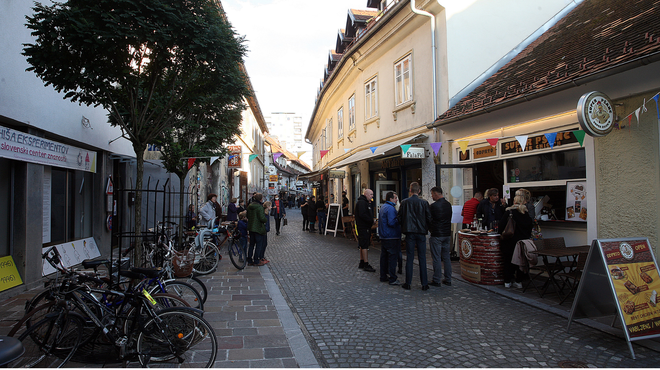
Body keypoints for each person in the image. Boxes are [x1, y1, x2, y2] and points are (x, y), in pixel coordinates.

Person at [397, 182, 432, 290]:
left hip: (409, 232)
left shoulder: (405, 202)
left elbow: (399, 217)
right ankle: (424, 284)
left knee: (410, 257)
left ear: (410, 190)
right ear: (419, 191)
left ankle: (408, 283)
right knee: (422, 258)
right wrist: (427, 228)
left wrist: (404, 226)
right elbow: (429, 218)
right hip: (421, 232)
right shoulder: (424, 203)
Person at [498, 194, 533, 288]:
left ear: (514, 201)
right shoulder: (526, 214)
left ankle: (507, 281)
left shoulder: (510, 212)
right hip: (523, 242)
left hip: (510, 241)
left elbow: (501, 226)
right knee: (521, 261)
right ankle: (519, 281)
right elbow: (530, 227)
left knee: (508, 261)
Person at [428, 187, 453, 287]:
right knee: (446, 257)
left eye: (432, 194)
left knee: (437, 258)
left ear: (435, 194)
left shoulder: (433, 206)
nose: (431, 196)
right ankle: (448, 278)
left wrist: (431, 229)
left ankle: (437, 279)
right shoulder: (448, 205)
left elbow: (429, 220)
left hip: (437, 234)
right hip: (447, 234)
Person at [378, 191, 401, 285]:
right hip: (391, 236)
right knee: (392, 258)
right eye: (395, 198)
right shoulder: (391, 209)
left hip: (384, 236)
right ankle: (392, 278)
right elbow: (391, 222)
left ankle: (383, 276)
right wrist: (399, 219)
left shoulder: (383, 207)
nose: (396, 200)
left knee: (384, 257)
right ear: (390, 199)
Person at [354, 189, 376, 272]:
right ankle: (366, 263)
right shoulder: (362, 203)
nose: (372, 196)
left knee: (362, 244)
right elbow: (363, 215)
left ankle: (362, 262)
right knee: (365, 245)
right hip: (364, 227)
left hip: (363, 226)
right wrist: (371, 221)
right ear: (366, 194)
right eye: (371, 194)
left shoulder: (363, 202)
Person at [246, 193, 267, 266]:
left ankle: (249, 260)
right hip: (258, 228)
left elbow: (247, 216)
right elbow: (262, 218)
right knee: (259, 244)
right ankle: (256, 260)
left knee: (251, 244)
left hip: (251, 227)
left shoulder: (249, 206)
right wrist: (265, 220)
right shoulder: (260, 207)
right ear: (261, 199)